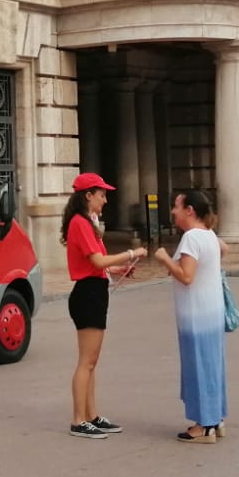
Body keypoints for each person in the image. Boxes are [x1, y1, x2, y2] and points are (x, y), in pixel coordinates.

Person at [60, 172, 147, 439]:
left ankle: (91, 415)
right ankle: (78, 419)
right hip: (88, 294)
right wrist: (132, 253)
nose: (105, 200)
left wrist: (120, 268)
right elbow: (97, 261)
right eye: (102, 194)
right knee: (86, 361)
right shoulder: (80, 223)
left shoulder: (87, 222)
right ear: (88, 196)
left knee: (91, 361)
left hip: (94, 290)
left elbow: (97, 264)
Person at [153, 190, 227, 443]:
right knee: (212, 365)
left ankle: (203, 425)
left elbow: (186, 276)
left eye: (176, 206)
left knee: (198, 367)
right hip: (212, 311)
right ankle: (215, 418)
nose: (172, 211)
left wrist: (164, 259)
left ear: (189, 211)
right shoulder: (209, 235)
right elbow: (222, 250)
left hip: (196, 316)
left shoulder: (191, 238)